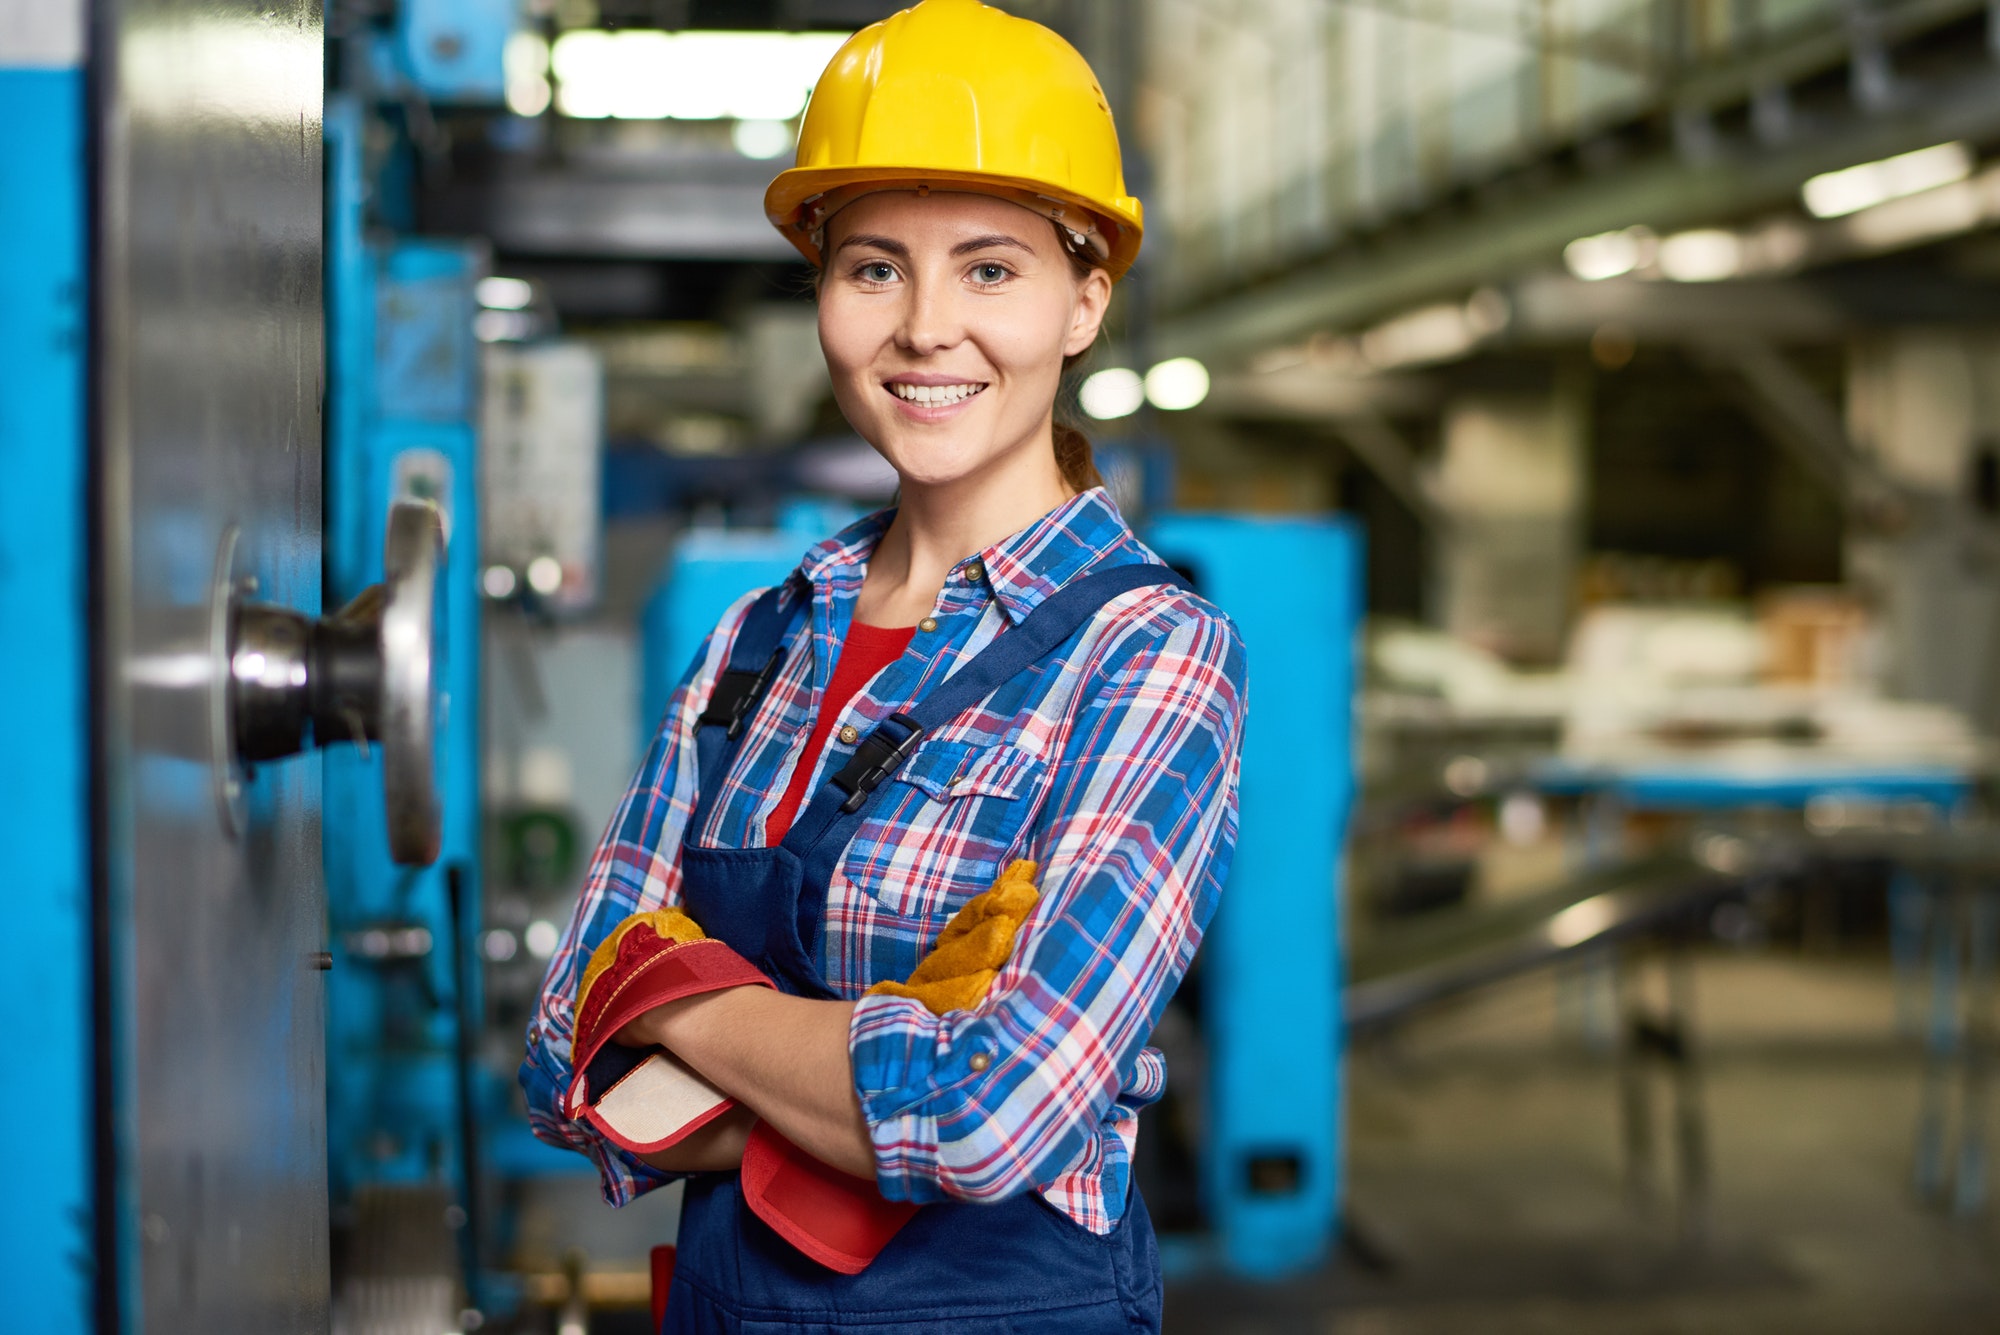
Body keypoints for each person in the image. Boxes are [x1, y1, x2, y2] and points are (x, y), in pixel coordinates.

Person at [520, 2, 1247, 1329]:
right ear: (821, 293)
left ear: (1084, 300)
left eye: (989, 269)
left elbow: (991, 1116)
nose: (923, 328)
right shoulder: (757, 638)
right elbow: (563, 1049)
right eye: (871, 269)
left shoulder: (1149, 657)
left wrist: (679, 995)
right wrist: (865, 1067)